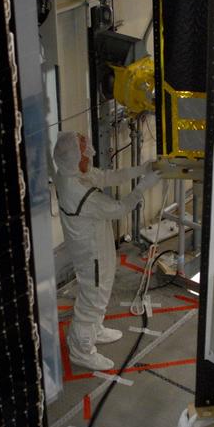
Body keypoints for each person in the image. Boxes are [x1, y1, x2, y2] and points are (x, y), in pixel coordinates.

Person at [52, 131, 161, 370]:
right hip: (92, 252)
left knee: (98, 291)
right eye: (83, 150)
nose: (89, 153)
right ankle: (81, 350)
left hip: (96, 242)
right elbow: (119, 208)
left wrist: (141, 169)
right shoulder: (78, 191)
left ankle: (95, 329)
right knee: (93, 298)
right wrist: (143, 187)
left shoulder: (71, 173)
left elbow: (106, 177)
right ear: (73, 157)